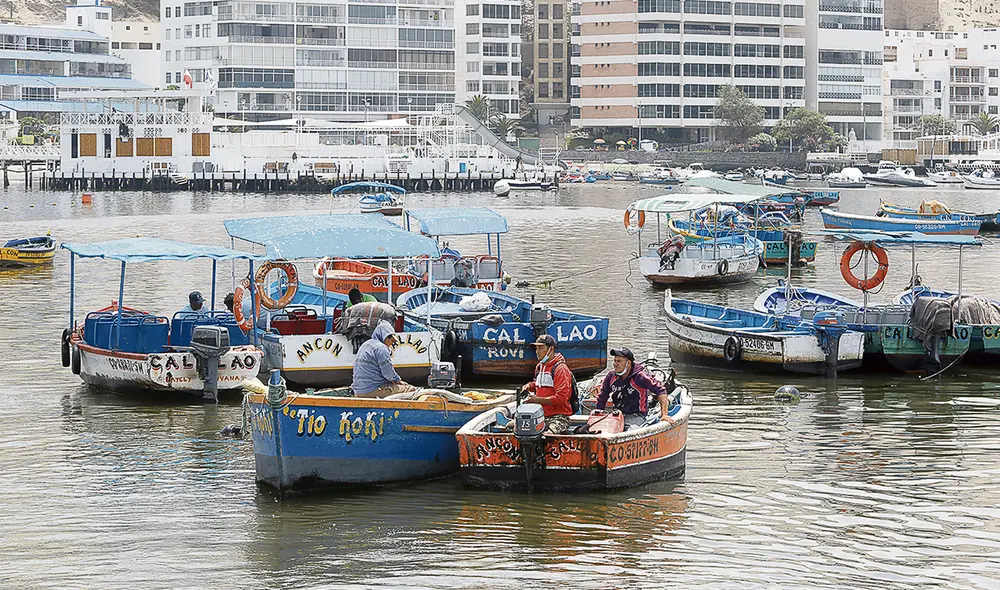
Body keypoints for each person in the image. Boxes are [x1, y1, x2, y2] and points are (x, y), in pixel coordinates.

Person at [596, 348, 671, 430]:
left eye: (619, 361)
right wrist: (599, 413)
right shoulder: (611, 376)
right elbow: (603, 396)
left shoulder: (640, 377)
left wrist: (664, 415)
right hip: (617, 414)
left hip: (637, 416)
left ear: (628, 363)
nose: (615, 364)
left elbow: (661, 390)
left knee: (630, 430)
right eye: (614, 361)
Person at [522, 334, 574, 434]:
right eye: (536, 348)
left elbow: (561, 398)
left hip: (558, 417)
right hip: (540, 415)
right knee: (514, 427)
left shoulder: (560, 369)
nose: (537, 351)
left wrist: (536, 400)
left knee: (548, 434)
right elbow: (539, 384)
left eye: (541, 348)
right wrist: (529, 386)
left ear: (551, 349)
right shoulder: (540, 367)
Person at [351, 320, 418, 398]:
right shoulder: (381, 348)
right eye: (390, 339)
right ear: (384, 337)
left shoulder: (366, 344)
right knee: (411, 390)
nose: (391, 343)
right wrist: (397, 380)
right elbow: (388, 373)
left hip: (358, 391)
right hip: (373, 390)